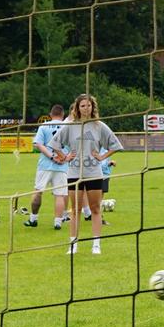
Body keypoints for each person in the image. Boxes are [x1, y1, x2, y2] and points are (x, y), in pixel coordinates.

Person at [60, 94, 121, 255]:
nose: (86, 108)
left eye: (89, 105)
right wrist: (65, 157)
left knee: (95, 208)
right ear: (77, 108)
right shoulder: (70, 126)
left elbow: (115, 145)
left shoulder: (99, 126)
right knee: (75, 210)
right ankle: (73, 244)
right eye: (82, 106)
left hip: (94, 173)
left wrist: (102, 157)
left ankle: (96, 244)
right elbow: (54, 143)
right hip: (74, 173)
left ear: (93, 107)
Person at [25, 103, 70, 228]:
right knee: (60, 195)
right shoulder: (68, 126)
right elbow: (73, 146)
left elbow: (39, 144)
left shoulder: (44, 126)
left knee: (38, 191)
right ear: (62, 115)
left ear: (50, 114)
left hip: (45, 164)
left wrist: (51, 156)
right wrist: (64, 158)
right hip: (62, 165)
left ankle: (33, 219)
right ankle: (57, 223)